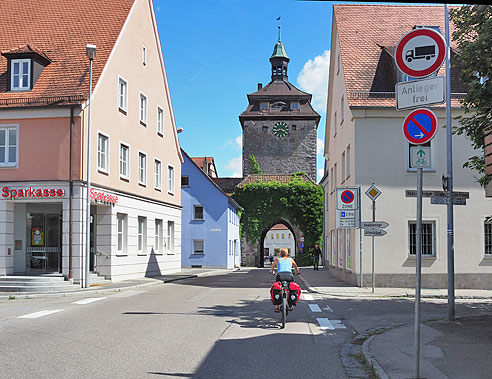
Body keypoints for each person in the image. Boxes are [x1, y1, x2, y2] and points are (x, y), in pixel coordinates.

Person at [270, 248, 300, 312]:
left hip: (280, 275)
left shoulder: (277, 259)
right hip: (289, 275)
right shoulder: (290, 259)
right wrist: (297, 272)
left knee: (278, 287)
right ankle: (291, 304)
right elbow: (296, 267)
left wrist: (272, 272)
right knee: (291, 287)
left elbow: (272, 269)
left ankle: (277, 306)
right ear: (287, 254)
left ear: (280, 254)